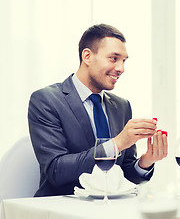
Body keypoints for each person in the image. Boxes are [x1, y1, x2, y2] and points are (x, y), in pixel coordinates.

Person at [28, 24, 168, 197]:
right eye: (114, 58)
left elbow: (124, 174)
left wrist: (147, 161)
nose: (121, 68)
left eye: (124, 61)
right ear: (87, 56)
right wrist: (117, 143)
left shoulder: (122, 106)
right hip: (61, 206)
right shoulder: (46, 100)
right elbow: (56, 170)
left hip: (110, 208)